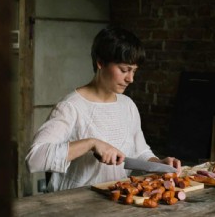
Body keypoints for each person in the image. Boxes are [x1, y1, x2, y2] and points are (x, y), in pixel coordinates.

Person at [25, 27, 181, 192]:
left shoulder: (128, 105)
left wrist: (159, 164)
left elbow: (140, 150)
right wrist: (91, 143)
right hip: (73, 204)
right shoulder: (71, 106)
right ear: (100, 62)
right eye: (124, 70)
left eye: (134, 71)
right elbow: (34, 158)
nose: (131, 79)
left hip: (116, 199)